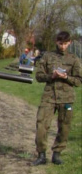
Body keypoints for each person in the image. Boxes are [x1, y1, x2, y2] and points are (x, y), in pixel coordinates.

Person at [31, 31, 81, 166]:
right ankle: (41, 155)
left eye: (65, 44)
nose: (62, 46)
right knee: (41, 125)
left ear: (69, 43)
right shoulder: (47, 56)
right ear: (56, 42)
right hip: (49, 96)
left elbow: (78, 81)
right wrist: (51, 76)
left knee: (64, 126)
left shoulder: (74, 59)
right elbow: (39, 76)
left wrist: (66, 77)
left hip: (66, 98)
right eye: (60, 43)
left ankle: (57, 154)